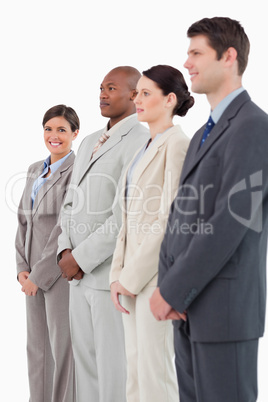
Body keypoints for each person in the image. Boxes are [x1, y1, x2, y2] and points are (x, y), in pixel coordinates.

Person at [150, 17, 268, 402]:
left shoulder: (252, 126)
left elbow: (230, 221)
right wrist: (170, 287)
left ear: (228, 56)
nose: (187, 63)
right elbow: (182, 213)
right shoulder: (205, 132)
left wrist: (173, 289)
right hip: (189, 310)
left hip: (223, 312)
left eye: (196, 52)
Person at [57, 66, 149, 402]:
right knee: (86, 370)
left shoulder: (141, 140)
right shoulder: (88, 141)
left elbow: (124, 215)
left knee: (114, 371)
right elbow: (70, 201)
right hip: (76, 278)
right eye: (100, 88)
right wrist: (64, 252)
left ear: (134, 94)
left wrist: (80, 258)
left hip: (108, 277)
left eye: (111, 88)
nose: (102, 94)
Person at [110, 65, 194, 402]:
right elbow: (127, 218)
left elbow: (169, 220)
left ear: (170, 99)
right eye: (137, 92)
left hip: (155, 278)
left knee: (154, 373)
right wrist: (118, 275)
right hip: (130, 279)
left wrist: (130, 276)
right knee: (135, 370)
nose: (137, 99)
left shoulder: (177, 145)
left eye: (146, 93)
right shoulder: (142, 148)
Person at [15, 104, 79, 402]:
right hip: (31, 274)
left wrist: (39, 275)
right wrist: (22, 268)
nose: (54, 136)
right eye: (49, 129)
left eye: (62, 130)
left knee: (62, 347)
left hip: (58, 274)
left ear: (74, 133)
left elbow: (63, 229)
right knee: (36, 348)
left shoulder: (76, 171)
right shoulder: (33, 170)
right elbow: (23, 221)